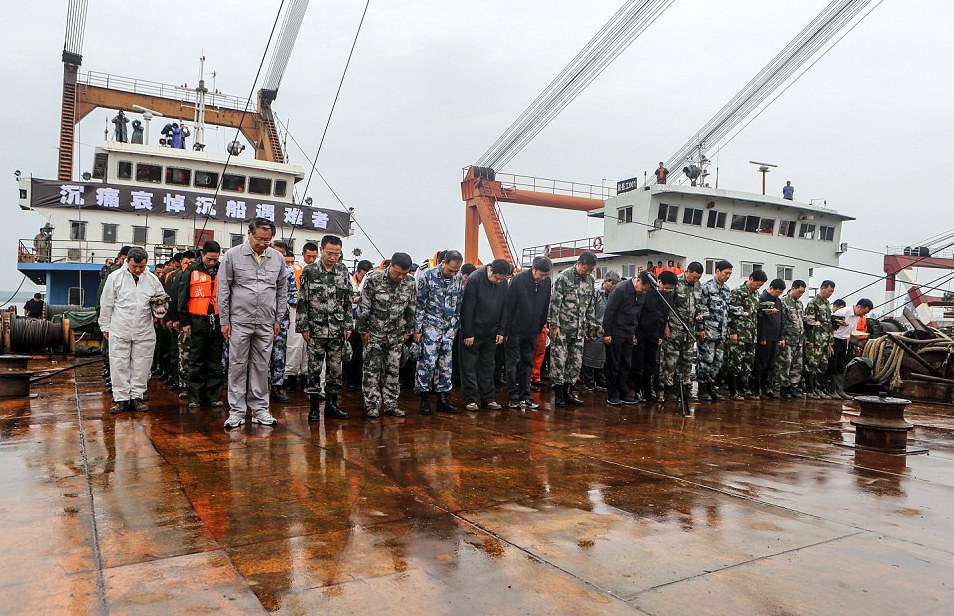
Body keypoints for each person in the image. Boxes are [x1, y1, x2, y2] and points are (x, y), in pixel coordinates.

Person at [217, 218, 289, 429]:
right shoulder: (232, 256)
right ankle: (236, 411)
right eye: (259, 239)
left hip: (266, 321)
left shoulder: (277, 258)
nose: (262, 243)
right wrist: (224, 320)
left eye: (267, 240)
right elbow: (223, 289)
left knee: (261, 366)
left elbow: (282, 290)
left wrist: (278, 318)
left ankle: (260, 409)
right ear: (249, 234)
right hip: (240, 320)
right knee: (237, 366)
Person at [98, 247, 165, 414]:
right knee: (119, 363)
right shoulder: (115, 278)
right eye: (135, 266)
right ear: (127, 261)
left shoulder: (152, 279)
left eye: (142, 267)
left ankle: (137, 397)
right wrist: (105, 326)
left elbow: (161, 299)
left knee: (142, 364)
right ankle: (121, 399)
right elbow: (106, 303)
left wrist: (160, 309)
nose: (138, 270)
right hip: (120, 327)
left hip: (144, 328)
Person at [297, 235, 352, 421]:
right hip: (316, 328)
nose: (333, 257)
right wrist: (303, 326)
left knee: (335, 370)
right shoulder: (310, 271)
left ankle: (332, 406)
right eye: (330, 253)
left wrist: (348, 324)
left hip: (337, 329)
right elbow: (302, 300)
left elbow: (347, 300)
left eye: (337, 254)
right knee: (314, 369)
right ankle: (313, 408)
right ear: (321, 250)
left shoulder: (343, 271)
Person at [357, 252, 417, 418]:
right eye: (397, 273)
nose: (400, 277)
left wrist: (408, 331)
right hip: (374, 333)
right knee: (372, 370)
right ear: (390, 266)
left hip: (396, 334)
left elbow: (411, 308)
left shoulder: (410, 282)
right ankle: (372, 404)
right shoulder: (373, 280)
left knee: (393, 370)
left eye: (404, 274)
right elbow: (364, 307)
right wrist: (363, 331)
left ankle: (391, 404)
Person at [549, 252, 602, 407]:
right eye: (586, 269)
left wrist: (591, 326)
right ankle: (559, 394)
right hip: (563, 329)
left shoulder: (590, 280)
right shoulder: (564, 277)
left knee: (576, 362)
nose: (588, 272)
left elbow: (590, 306)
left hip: (579, 330)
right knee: (559, 361)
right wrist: (554, 326)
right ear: (579, 263)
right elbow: (555, 303)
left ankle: (568, 391)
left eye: (591, 270)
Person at [415, 250, 464, 415]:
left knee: (445, 366)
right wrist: (417, 330)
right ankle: (424, 399)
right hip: (430, 327)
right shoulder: (427, 276)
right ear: (443, 263)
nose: (453, 273)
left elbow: (458, 304)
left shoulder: (458, 278)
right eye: (450, 270)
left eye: (456, 271)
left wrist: (455, 325)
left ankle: (443, 399)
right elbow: (420, 304)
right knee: (427, 364)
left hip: (448, 329)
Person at [460, 258, 512, 411]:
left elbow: (505, 307)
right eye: (496, 278)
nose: (498, 281)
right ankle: (470, 399)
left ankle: (488, 398)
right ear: (491, 270)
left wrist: (502, 330)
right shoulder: (475, 279)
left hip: (491, 331)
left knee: (488, 366)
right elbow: (467, 307)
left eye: (502, 279)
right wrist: (468, 332)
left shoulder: (503, 282)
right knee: (469, 366)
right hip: (473, 331)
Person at [179, 241, 225, 408]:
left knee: (215, 360)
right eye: (209, 259)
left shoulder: (223, 269)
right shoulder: (191, 270)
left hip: (217, 320)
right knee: (196, 360)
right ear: (202, 254)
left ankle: (213, 396)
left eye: (215, 259)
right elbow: (183, 297)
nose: (212, 262)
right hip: (196, 320)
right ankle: (195, 397)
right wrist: (185, 322)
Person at [504, 256, 552, 409]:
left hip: (533, 330)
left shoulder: (547, 282)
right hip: (515, 329)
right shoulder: (518, 280)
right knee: (513, 363)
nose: (543, 278)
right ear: (534, 269)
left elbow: (545, 305)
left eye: (546, 275)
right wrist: (507, 329)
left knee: (528, 362)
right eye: (541, 274)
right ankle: (512, 395)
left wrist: (540, 325)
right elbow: (509, 305)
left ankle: (526, 395)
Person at [659, 262, 706, 401]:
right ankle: (668, 390)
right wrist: (665, 326)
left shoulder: (698, 286)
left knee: (686, 361)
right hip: (674, 329)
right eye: (694, 277)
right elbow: (666, 306)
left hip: (690, 331)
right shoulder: (675, 283)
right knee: (671, 361)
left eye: (698, 278)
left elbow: (700, 306)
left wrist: (700, 320)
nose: (695, 280)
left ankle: (684, 389)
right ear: (687, 272)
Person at [696, 260, 741, 402]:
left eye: (730, 274)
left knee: (718, 362)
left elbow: (726, 309)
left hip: (721, 333)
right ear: (717, 271)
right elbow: (700, 310)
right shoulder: (706, 288)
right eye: (726, 273)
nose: (728, 276)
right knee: (706, 361)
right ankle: (703, 389)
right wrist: (700, 329)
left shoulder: (726, 290)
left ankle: (711, 387)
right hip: (708, 332)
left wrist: (739, 312)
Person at [602, 271, 650, 405]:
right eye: (644, 289)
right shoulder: (620, 289)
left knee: (626, 364)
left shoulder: (642, 294)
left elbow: (637, 314)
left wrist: (634, 333)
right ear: (638, 281)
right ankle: (612, 394)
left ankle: (623, 392)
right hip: (615, 331)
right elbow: (609, 311)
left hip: (629, 332)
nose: (644, 292)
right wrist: (607, 333)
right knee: (614, 364)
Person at [633, 270, 676, 402]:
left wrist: (660, 334)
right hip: (641, 331)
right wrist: (634, 333)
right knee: (639, 362)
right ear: (659, 282)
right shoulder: (647, 292)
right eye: (666, 288)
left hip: (655, 333)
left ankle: (649, 390)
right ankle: (638, 390)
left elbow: (664, 315)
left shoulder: (667, 296)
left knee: (651, 363)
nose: (667, 291)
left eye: (670, 289)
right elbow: (637, 313)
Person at [725, 269, 767, 400]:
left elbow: (755, 313)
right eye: (757, 284)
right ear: (751, 279)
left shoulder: (756, 294)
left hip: (751, 334)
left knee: (747, 364)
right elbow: (730, 313)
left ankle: (744, 388)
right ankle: (734, 391)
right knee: (735, 362)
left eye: (761, 285)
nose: (758, 287)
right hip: (739, 334)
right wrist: (733, 332)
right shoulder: (737, 292)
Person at [267, 240, 298, 403]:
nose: (280, 257)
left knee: (279, 355)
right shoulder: (262, 268)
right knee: (259, 356)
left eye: (283, 255)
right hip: (262, 319)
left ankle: (276, 387)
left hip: (281, 321)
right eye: (277, 253)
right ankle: (258, 389)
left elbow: (293, 293)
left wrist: (295, 299)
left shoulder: (288, 271)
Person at [829, 298, 874, 399]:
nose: (863, 315)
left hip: (843, 341)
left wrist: (846, 346)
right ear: (859, 307)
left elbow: (849, 332)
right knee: (832, 365)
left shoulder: (857, 317)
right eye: (864, 312)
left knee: (840, 366)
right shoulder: (843, 313)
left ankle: (840, 390)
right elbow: (830, 329)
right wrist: (829, 344)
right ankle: (832, 390)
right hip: (834, 339)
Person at [581, 271, 619, 391]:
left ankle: (600, 380)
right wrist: (589, 329)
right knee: (590, 355)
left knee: (602, 357)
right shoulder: (595, 293)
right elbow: (589, 311)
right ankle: (588, 380)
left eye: (616, 284)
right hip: (593, 328)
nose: (613, 286)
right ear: (605, 281)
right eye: (612, 283)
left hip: (606, 330)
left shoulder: (614, 295)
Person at [804, 280, 836, 400]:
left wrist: (829, 343)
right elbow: (809, 323)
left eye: (832, 292)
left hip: (824, 341)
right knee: (812, 365)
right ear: (822, 288)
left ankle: (819, 388)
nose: (830, 293)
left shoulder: (827, 304)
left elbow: (828, 325)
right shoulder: (813, 303)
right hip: (815, 341)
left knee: (823, 365)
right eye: (829, 291)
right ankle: (809, 389)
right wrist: (809, 341)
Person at [345, 259, 373, 391]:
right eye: (361, 275)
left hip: (363, 323)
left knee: (361, 353)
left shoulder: (370, 281)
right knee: (350, 352)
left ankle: (358, 380)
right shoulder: (349, 280)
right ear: (357, 272)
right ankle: (349, 380)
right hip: (351, 321)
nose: (363, 278)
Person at [777, 280, 809, 399]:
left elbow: (802, 319)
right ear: (793, 288)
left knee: (797, 365)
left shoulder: (799, 303)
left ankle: (793, 386)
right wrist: (782, 337)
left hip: (799, 339)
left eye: (803, 292)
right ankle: (784, 387)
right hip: (788, 339)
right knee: (785, 364)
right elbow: (781, 321)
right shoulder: (783, 302)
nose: (801, 294)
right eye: (800, 291)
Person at [755, 278, 786, 399]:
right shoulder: (762, 299)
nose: (778, 295)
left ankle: (767, 388)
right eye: (777, 292)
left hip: (774, 336)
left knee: (771, 364)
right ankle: (758, 388)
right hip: (765, 337)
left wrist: (781, 337)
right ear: (771, 288)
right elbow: (760, 319)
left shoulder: (778, 301)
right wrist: (761, 337)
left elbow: (781, 319)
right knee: (761, 363)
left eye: (780, 293)